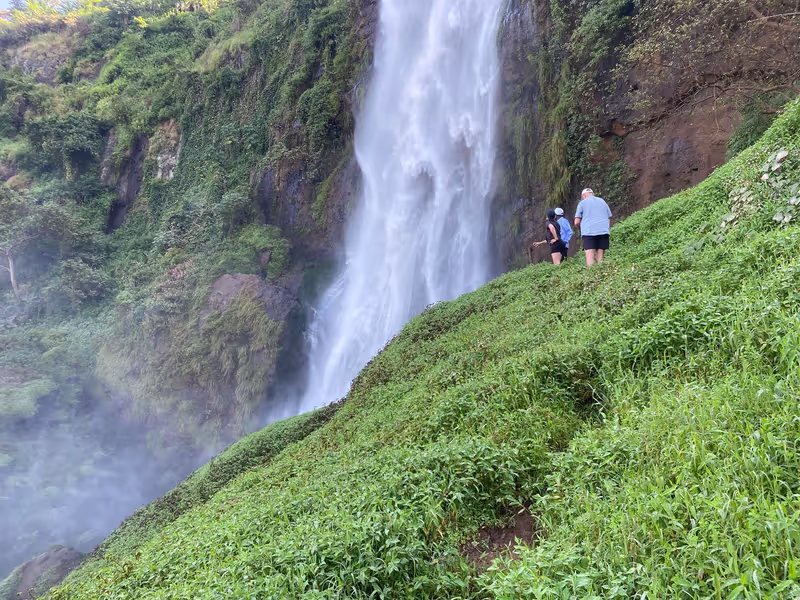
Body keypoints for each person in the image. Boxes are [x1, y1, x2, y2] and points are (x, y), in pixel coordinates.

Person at [574, 188, 612, 266]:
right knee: (600, 252)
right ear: (592, 194)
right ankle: (600, 272)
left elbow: (576, 222)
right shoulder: (602, 201)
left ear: (584, 196)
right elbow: (608, 218)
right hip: (603, 231)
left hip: (588, 232)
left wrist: (580, 226)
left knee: (589, 252)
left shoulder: (582, 203)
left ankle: (591, 273)